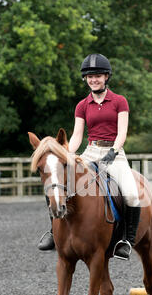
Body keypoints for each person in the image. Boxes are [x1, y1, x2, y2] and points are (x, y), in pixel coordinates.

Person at [38, 53, 141, 260]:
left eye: (98, 76)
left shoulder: (120, 101)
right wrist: (68, 154)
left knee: (132, 194)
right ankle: (52, 230)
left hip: (115, 152)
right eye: (90, 76)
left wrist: (113, 151)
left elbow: (122, 132)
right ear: (85, 79)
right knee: (58, 182)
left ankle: (126, 240)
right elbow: (77, 135)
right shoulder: (82, 105)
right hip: (90, 151)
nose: (94, 79)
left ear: (106, 77)